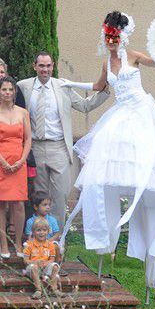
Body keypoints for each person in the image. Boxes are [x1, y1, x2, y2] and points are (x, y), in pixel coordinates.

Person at [61, 12, 155, 291]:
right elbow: (98, 87)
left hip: (140, 112)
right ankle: (106, 241)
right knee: (106, 171)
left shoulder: (133, 55)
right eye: (108, 38)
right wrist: (71, 85)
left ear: (122, 37)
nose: (111, 42)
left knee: (143, 164)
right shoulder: (107, 62)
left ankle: (149, 260)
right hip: (119, 115)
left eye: (115, 37)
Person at [16, 51, 110, 226]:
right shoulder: (23, 86)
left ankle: (57, 239)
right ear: (34, 66)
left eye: (48, 65)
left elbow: (85, 105)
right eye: (41, 66)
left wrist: (105, 91)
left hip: (58, 147)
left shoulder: (63, 87)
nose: (45, 69)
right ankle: (40, 239)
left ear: (53, 66)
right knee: (40, 195)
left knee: (60, 195)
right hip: (35, 148)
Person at [0, 77, 32, 258]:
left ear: (14, 92)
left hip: (19, 161)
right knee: (0, 203)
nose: (7, 93)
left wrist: (22, 160)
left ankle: (18, 243)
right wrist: (3, 162)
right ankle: (3, 244)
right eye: (4, 89)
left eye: (10, 89)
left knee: (19, 203)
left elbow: (27, 138)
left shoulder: (23, 113)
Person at [23, 218, 63, 299]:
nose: (41, 233)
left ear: (48, 231)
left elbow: (52, 259)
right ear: (33, 232)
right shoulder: (29, 245)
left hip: (45, 267)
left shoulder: (50, 245)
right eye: (38, 230)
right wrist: (34, 262)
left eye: (44, 230)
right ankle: (38, 290)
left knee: (55, 266)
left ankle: (54, 289)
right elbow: (25, 260)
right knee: (33, 267)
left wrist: (46, 263)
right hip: (33, 268)